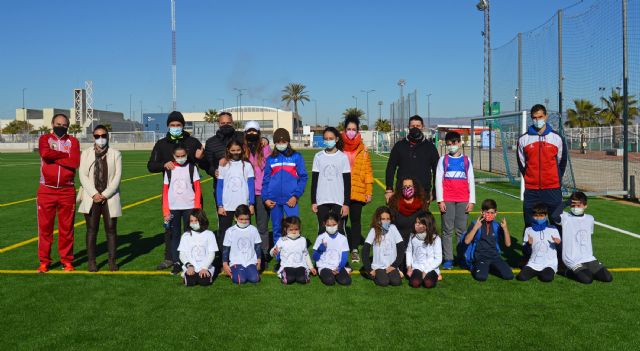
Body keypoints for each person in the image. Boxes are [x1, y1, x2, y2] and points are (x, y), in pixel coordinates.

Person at [148, 111, 205, 270]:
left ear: (183, 125)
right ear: (168, 126)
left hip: (191, 194)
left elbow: (204, 164)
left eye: (178, 125)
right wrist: (163, 165)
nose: (175, 127)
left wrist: (202, 156)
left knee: (192, 228)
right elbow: (151, 166)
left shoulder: (192, 141)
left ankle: (193, 257)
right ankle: (170, 258)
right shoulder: (161, 144)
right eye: (172, 125)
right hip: (172, 195)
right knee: (171, 232)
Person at [36, 113, 81, 272]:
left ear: (68, 126)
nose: (61, 127)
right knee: (45, 229)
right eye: (58, 124)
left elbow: (75, 162)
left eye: (64, 125)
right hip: (46, 190)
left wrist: (56, 157)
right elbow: (45, 154)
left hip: (67, 191)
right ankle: (44, 262)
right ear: (52, 124)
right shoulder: (44, 139)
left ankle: (67, 261)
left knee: (66, 229)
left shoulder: (73, 141)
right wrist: (64, 156)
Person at [78, 125, 122, 272]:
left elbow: (117, 177)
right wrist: (94, 194)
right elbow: (82, 175)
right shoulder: (85, 154)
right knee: (91, 230)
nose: (100, 138)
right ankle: (92, 262)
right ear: (93, 137)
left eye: (103, 135)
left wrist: (105, 194)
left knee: (111, 230)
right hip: (91, 197)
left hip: (109, 197)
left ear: (108, 136)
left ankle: (112, 261)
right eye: (97, 136)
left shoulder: (116, 154)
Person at [517, 104, 567, 229]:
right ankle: (530, 249)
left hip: (552, 189)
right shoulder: (524, 139)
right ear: (531, 118)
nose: (537, 120)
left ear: (546, 116)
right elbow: (522, 164)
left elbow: (562, 162)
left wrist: (555, 179)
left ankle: (559, 249)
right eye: (534, 118)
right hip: (532, 190)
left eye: (540, 117)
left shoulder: (557, 138)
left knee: (557, 224)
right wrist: (530, 178)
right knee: (530, 225)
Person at [262, 128, 308, 252]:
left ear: (288, 141)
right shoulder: (270, 159)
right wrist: (266, 198)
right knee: (277, 227)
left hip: (291, 200)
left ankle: (295, 252)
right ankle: (280, 256)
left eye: (284, 141)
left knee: (293, 227)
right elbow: (265, 181)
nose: (281, 144)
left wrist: (296, 196)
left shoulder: (296, 157)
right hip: (274, 201)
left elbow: (303, 177)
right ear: (275, 143)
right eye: (278, 142)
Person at [551, 192, 613, 284]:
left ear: (585, 206)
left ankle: (586, 269)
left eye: (579, 205)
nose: (576, 208)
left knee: (608, 278)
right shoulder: (566, 217)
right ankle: (566, 271)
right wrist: (566, 203)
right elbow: (554, 216)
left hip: (588, 257)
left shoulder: (590, 218)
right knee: (588, 279)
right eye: (573, 205)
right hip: (572, 258)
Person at [435, 131, 475, 269]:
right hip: (447, 200)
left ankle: (461, 257)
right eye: (448, 144)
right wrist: (440, 200)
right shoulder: (443, 160)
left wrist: (471, 201)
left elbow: (471, 181)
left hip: (463, 200)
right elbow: (438, 181)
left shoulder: (466, 160)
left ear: (459, 143)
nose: (451, 146)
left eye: (453, 143)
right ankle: (448, 258)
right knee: (447, 230)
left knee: (461, 230)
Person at [162, 145, 202, 275]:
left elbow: (197, 189)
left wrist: (197, 209)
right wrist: (166, 211)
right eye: (177, 156)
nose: (180, 158)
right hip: (173, 208)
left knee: (189, 235)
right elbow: (165, 191)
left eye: (183, 156)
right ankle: (177, 262)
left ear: (187, 154)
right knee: (175, 236)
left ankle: (189, 261)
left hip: (189, 207)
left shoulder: (192, 168)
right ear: (173, 156)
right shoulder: (169, 169)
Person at [385, 115, 439, 205]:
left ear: (422, 127)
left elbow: (437, 170)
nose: (415, 128)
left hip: (423, 192)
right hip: (402, 191)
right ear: (408, 127)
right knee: (401, 218)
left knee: (421, 219)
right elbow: (391, 167)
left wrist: (434, 191)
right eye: (412, 126)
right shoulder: (399, 146)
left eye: (418, 126)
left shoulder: (430, 147)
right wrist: (389, 189)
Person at [341, 115, 373, 263]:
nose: (351, 132)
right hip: (340, 191)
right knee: (339, 221)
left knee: (355, 221)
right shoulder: (338, 147)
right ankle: (339, 248)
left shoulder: (363, 149)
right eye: (349, 129)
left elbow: (368, 172)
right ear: (344, 130)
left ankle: (354, 249)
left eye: (354, 129)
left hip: (358, 191)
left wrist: (369, 191)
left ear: (358, 131)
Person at [215, 139, 255, 254]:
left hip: (243, 206)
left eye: (238, 150)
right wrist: (220, 205)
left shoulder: (247, 166)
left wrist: (251, 204)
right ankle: (224, 259)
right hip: (226, 207)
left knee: (245, 233)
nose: (236, 152)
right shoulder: (223, 165)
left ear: (242, 150)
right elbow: (220, 187)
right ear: (228, 150)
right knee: (224, 233)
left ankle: (246, 256)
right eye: (233, 150)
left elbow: (251, 185)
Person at [311, 127, 351, 236]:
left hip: (339, 199)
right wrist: (313, 201)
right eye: (326, 139)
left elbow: (347, 182)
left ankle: (341, 252)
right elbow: (314, 181)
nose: (328, 141)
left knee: (340, 230)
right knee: (322, 229)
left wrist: (346, 203)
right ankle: (323, 253)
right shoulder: (318, 156)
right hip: (322, 199)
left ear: (337, 139)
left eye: (331, 138)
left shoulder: (343, 157)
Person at [463, 199, 514, 282]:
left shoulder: (497, 225)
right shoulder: (475, 223)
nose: (489, 215)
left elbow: (508, 244)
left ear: (495, 213)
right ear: (481, 212)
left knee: (509, 276)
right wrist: (475, 228)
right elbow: (466, 241)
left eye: (492, 213)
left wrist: (505, 228)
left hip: (495, 256)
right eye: (487, 212)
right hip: (480, 257)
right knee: (481, 277)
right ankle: (475, 266)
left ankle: (489, 266)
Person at [243, 121, 272, 263]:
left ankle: (264, 253)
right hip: (244, 192)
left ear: (259, 133)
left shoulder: (266, 149)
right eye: (249, 131)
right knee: (243, 225)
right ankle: (244, 251)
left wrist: (265, 141)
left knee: (262, 226)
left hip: (261, 192)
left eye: (254, 131)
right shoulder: (241, 148)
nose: (252, 134)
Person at [203, 111, 244, 199]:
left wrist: (264, 139)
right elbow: (208, 164)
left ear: (232, 123)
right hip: (221, 186)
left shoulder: (242, 137)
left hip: (241, 185)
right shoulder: (211, 142)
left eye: (228, 123)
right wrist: (214, 171)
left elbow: (255, 141)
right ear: (219, 124)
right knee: (223, 212)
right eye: (223, 123)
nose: (226, 125)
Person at [517, 203, 561, 282]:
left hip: (549, 263)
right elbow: (525, 251)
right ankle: (535, 271)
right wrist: (528, 244)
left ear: (546, 215)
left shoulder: (553, 229)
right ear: (532, 216)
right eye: (536, 215)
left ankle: (547, 271)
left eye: (541, 216)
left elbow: (560, 249)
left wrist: (558, 243)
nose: (538, 218)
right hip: (533, 263)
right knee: (521, 277)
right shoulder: (528, 230)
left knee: (546, 278)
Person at [361, 206, 404, 287]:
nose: (386, 221)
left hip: (391, 265)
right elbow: (365, 250)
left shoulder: (393, 228)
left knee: (396, 282)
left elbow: (401, 248)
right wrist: (369, 269)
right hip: (378, 266)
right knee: (384, 282)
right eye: (383, 219)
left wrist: (394, 266)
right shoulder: (374, 230)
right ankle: (377, 275)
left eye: (388, 219)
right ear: (378, 219)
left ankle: (396, 273)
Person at [222, 205, 262, 284]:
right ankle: (236, 271)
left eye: (246, 219)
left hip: (250, 261)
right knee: (241, 280)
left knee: (255, 279)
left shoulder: (253, 229)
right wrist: (225, 264)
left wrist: (259, 260)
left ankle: (247, 270)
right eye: (241, 219)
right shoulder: (230, 231)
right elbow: (226, 248)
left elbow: (257, 245)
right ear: (235, 218)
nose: (244, 221)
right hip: (236, 262)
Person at [270, 216, 317, 285]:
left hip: (300, 265)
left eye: (296, 229)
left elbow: (306, 255)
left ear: (299, 229)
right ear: (286, 229)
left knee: (301, 279)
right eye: (291, 230)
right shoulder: (282, 240)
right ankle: (284, 274)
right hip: (287, 265)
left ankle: (304, 275)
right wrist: (274, 252)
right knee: (290, 279)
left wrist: (311, 267)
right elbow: (271, 252)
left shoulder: (302, 240)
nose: (294, 232)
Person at [178, 209, 217, 287]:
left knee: (204, 282)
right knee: (190, 282)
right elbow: (182, 254)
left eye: (196, 220)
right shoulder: (186, 235)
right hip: (191, 267)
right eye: (191, 221)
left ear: (202, 220)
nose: (193, 223)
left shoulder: (209, 234)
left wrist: (204, 267)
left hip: (205, 267)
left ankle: (206, 274)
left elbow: (212, 253)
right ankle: (188, 276)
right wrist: (189, 266)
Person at [312, 212, 351, 286]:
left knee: (346, 281)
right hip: (324, 266)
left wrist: (339, 268)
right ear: (324, 224)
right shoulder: (320, 237)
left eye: (334, 225)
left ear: (338, 223)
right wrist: (320, 249)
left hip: (337, 265)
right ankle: (330, 274)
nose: (331, 227)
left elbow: (344, 256)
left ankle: (343, 270)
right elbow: (315, 257)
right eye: (329, 225)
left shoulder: (343, 238)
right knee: (330, 281)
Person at [388, 177, 430, 245]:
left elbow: (428, 224)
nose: (407, 188)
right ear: (400, 188)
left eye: (410, 186)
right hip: (399, 242)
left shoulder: (422, 204)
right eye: (405, 186)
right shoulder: (394, 204)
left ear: (415, 187)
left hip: (417, 242)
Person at [406, 211, 442, 289]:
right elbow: (409, 251)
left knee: (428, 283)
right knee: (415, 283)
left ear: (427, 225)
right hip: (417, 266)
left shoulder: (436, 238)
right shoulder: (413, 236)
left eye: (420, 223)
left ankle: (436, 274)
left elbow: (438, 259)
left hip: (430, 267)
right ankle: (425, 277)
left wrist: (426, 271)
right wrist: (409, 267)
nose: (416, 225)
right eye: (416, 222)